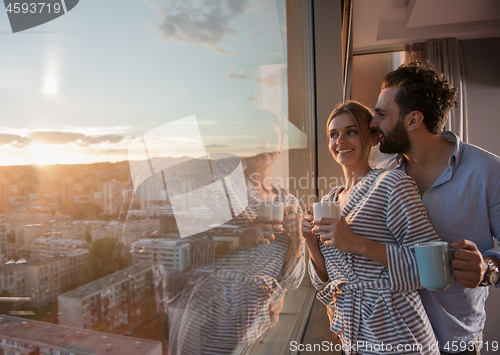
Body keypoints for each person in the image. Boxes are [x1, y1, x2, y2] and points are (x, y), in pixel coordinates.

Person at [370, 62, 500, 355]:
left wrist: (489, 269)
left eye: (381, 114)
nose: (372, 123)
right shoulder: (380, 176)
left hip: (457, 342)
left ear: (413, 120)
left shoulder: (489, 171)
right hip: (393, 341)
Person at [156, 108, 305, 355]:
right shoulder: (215, 191)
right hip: (211, 322)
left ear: (280, 147)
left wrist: (298, 242)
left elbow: (293, 281)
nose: (265, 141)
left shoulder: (289, 203)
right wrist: (237, 240)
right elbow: (173, 257)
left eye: (272, 136)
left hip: (262, 325)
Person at [302, 101, 440, 354]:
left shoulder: (392, 183)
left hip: (397, 330)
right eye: (333, 134)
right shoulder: (329, 202)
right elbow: (326, 285)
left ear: (374, 137)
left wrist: (357, 243)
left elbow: (430, 269)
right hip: (352, 335)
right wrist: (311, 242)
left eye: (351, 131)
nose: (340, 140)